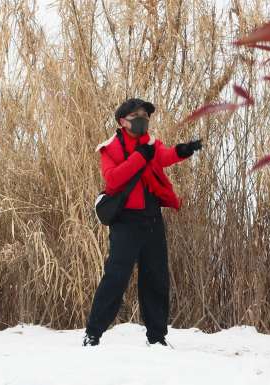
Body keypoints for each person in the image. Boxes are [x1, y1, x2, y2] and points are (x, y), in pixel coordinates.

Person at [83, 98, 202, 347]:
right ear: (122, 121)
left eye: (146, 116)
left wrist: (184, 150)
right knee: (116, 278)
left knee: (156, 279)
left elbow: (165, 156)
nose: (143, 120)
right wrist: (138, 157)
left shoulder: (150, 143)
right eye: (137, 115)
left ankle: (157, 337)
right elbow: (113, 180)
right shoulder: (110, 148)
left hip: (152, 220)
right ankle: (93, 333)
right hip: (125, 222)